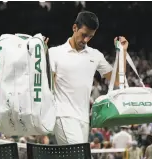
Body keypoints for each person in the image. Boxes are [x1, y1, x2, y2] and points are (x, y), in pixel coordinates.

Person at [47, 11, 129, 145]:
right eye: (83, 35)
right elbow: (49, 86)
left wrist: (123, 52)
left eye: (90, 37)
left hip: (84, 119)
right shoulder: (54, 53)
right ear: (75, 28)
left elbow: (118, 80)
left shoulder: (95, 55)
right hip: (62, 115)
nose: (85, 40)